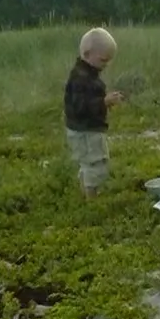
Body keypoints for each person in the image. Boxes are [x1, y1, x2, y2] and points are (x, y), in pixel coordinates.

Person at [63, 27, 124, 197]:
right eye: (103, 60)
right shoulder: (80, 78)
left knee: (87, 163)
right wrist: (103, 101)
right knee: (96, 163)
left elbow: (89, 101)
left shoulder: (87, 74)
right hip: (86, 131)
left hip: (86, 129)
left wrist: (105, 103)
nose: (106, 65)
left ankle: (87, 191)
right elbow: (80, 107)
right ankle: (92, 197)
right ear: (87, 53)